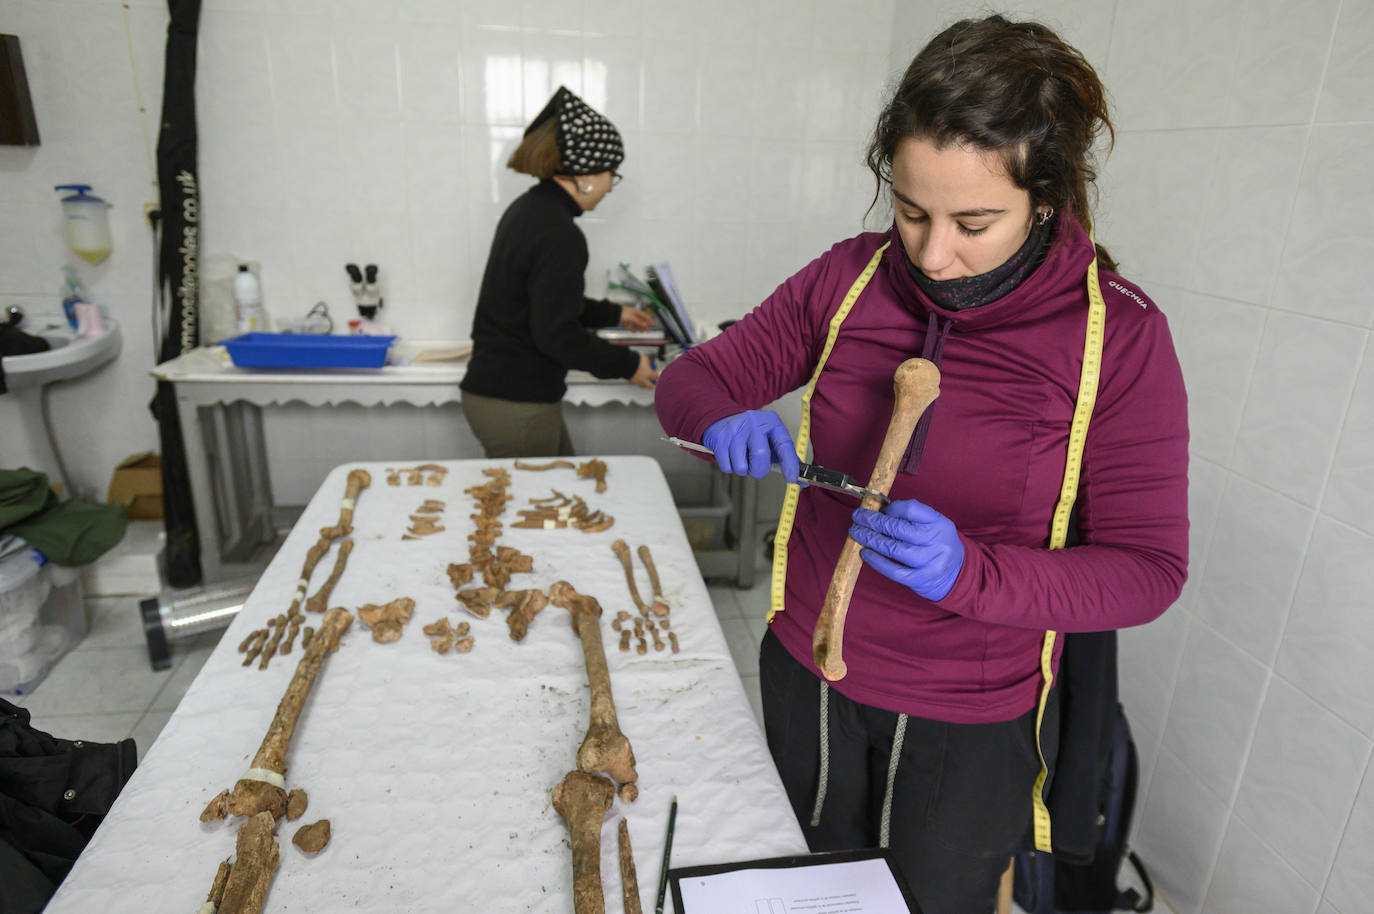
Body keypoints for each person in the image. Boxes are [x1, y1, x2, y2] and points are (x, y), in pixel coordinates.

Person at [655, 15, 1188, 914]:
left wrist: (971, 572)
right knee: (796, 888)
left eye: (974, 221)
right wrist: (719, 419)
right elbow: (695, 379)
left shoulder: (1118, 338)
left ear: (1047, 196)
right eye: (910, 211)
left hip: (968, 717)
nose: (934, 254)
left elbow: (1148, 572)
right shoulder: (849, 280)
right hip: (806, 671)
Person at [461, 86, 659, 458]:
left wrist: (614, 313)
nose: (609, 189)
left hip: (500, 396)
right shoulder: (560, 234)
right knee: (536, 511)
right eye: (610, 175)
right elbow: (557, 334)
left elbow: (547, 302)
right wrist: (629, 364)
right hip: (516, 404)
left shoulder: (529, 211)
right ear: (584, 175)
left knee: (560, 497)